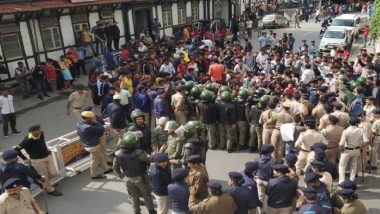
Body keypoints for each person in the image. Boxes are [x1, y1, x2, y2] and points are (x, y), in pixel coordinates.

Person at [113, 132, 160, 214]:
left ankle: (136, 211)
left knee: (133, 196)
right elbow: (150, 159)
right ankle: (151, 211)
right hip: (141, 178)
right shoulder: (139, 153)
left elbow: (115, 166)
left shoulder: (118, 154)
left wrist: (119, 173)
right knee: (146, 195)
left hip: (127, 178)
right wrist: (155, 154)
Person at [15, 124, 62, 196]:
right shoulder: (26, 141)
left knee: (54, 173)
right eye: (38, 130)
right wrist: (25, 159)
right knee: (44, 176)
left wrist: (46, 149)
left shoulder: (41, 134)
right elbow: (17, 149)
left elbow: (42, 142)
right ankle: (50, 190)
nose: (41, 130)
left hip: (47, 156)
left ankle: (42, 182)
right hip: (37, 160)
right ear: (33, 132)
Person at [76, 111, 111, 179]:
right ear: (88, 118)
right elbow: (101, 129)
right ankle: (94, 175)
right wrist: (96, 122)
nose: (94, 118)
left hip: (87, 144)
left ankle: (106, 169)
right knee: (94, 161)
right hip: (93, 146)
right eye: (92, 117)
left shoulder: (78, 123)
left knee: (99, 156)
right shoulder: (88, 127)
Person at [338, 116, 368, 183]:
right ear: (357, 123)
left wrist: (341, 150)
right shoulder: (361, 130)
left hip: (347, 150)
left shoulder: (346, 131)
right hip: (356, 150)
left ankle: (342, 182)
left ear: (349, 122)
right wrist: (361, 146)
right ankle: (352, 180)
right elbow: (366, 141)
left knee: (342, 166)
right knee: (354, 165)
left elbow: (341, 144)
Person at [254, 144, 276, 214]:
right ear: (270, 152)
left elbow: (254, 169)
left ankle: (261, 212)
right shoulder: (273, 161)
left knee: (260, 197)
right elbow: (275, 173)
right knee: (272, 198)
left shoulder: (257, 159)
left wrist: (256, 177)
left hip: (259, 180)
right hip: (269, 182)